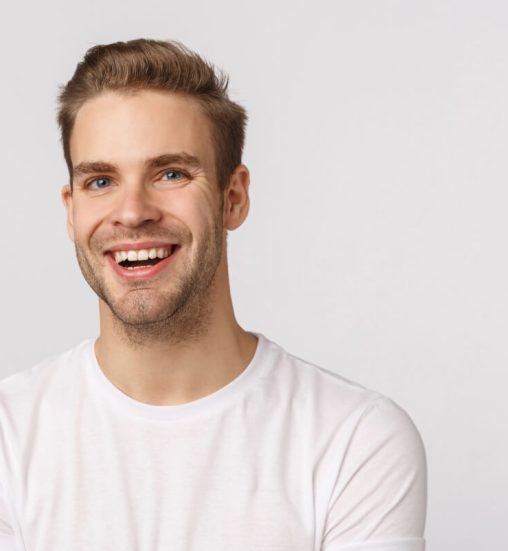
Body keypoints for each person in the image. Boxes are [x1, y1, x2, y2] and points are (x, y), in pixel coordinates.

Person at [0, 39, 427, 551]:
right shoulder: (10, 434)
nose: (132, 211)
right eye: (100, 180)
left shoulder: (353, 439)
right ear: (71, 210)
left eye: (171, 173)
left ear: (233, 198)